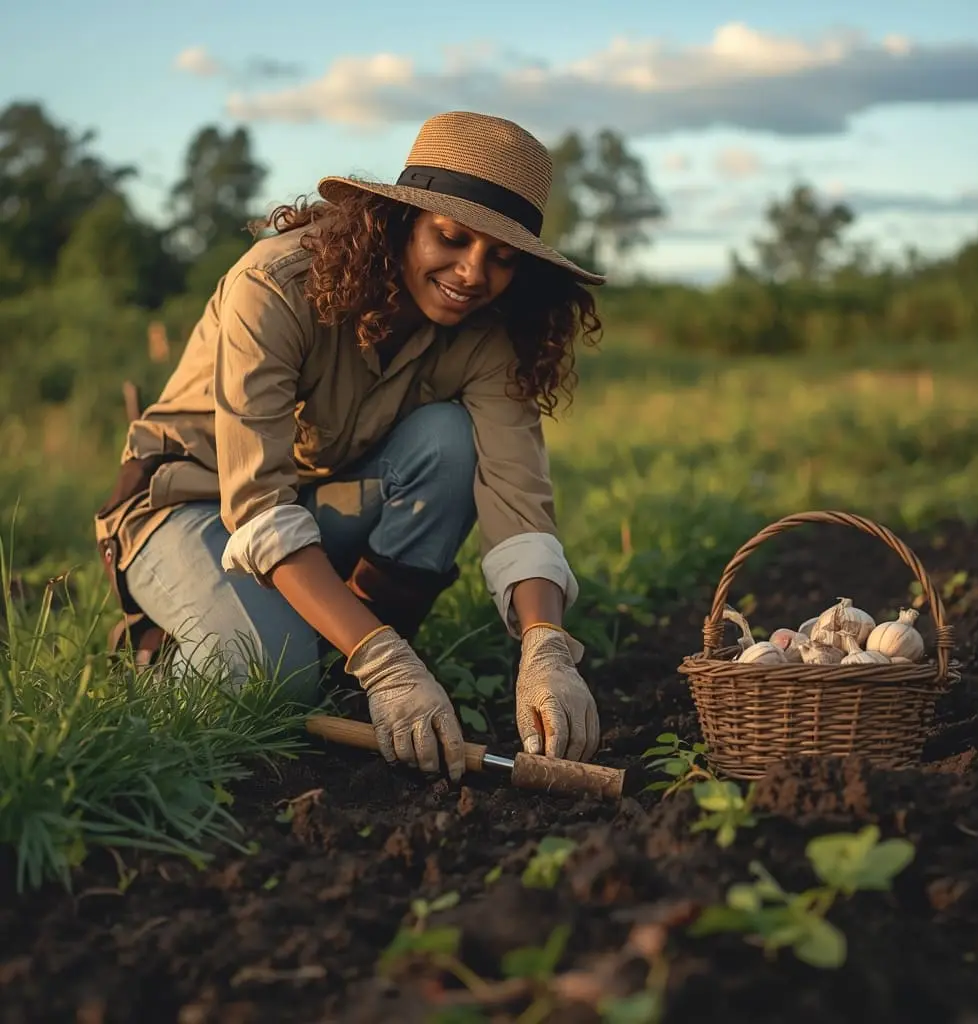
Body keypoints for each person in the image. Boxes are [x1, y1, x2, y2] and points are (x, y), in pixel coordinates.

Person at [95, 110, 605, 785]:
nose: (473, 273)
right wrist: (385, 661)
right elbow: (259, 507)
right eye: (452, 238)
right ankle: (155, 680)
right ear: (400, 224)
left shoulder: (485, 333)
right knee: (265, 677)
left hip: (307, 509)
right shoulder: (274, 286)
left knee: (451, 442)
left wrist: (546, 646)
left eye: (503, 258)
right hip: (187, 506)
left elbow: (518, 493)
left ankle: (344, 666)